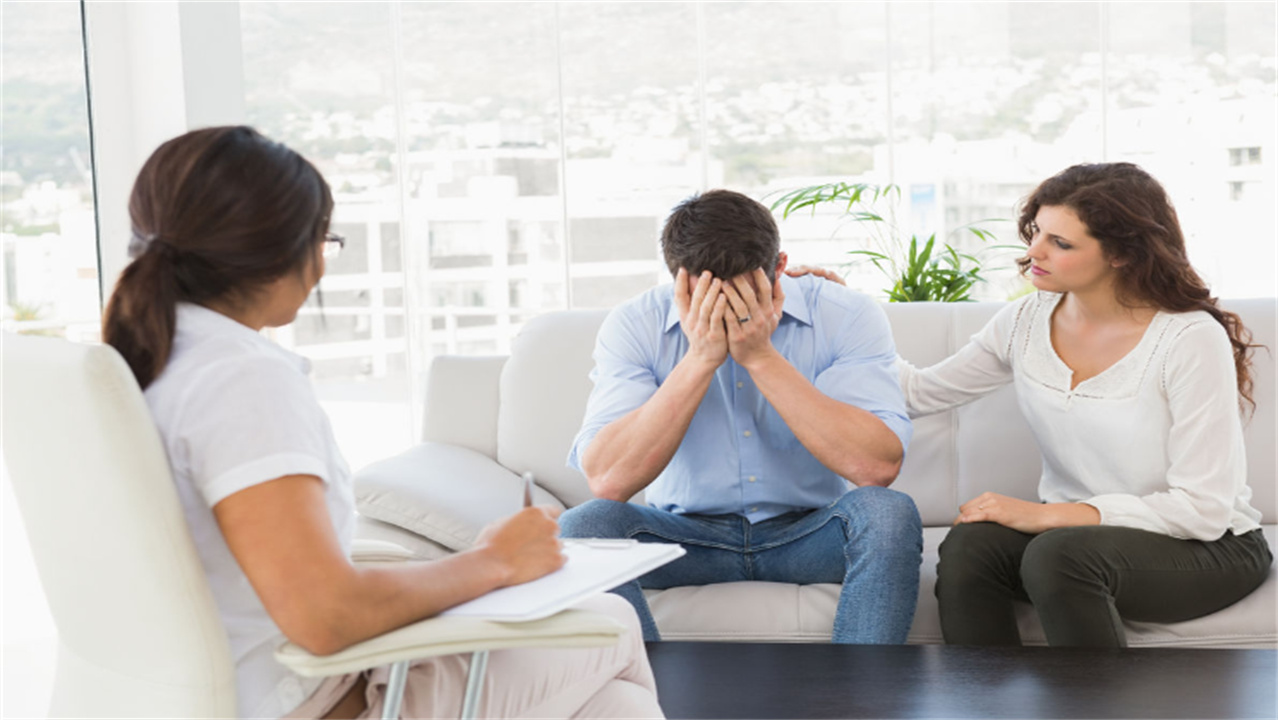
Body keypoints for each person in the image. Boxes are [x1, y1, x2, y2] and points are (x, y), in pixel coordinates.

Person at [102, 126, 662, 719]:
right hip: (314, 699)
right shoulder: (242, 381)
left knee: (611, 702)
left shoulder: (150, 361)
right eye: (326, 239)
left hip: (197, 696)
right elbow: (325, 616)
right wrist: (493, 563)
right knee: (615, 622)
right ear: (285, 248)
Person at [796, 162, 1272, 648]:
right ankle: (983, 702)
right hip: (1077, 545)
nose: (1033, 254)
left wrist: (1051, 515)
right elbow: (918, 392)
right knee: (970, 545)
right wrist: (845, 313)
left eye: (1060, 244)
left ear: (1122, 255)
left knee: (1057, 555)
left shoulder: (1189, 338)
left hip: (1208, 551)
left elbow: (1203, 510)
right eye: (1037, 232)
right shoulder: (1026, 319)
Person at [559, 189, 922, 645]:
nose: (729, 313)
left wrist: (761, 357)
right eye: (709, 297)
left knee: (888, 514)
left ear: (780, 266)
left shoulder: (845, 315)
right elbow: (609, 481)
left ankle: (860, 702)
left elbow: (876, 467)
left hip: (807, 534)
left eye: (746, 294)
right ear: (680, 283)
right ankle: (650, 702)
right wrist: (700, 358)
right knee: (583, 526)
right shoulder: (635, 324)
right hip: (684, 540)